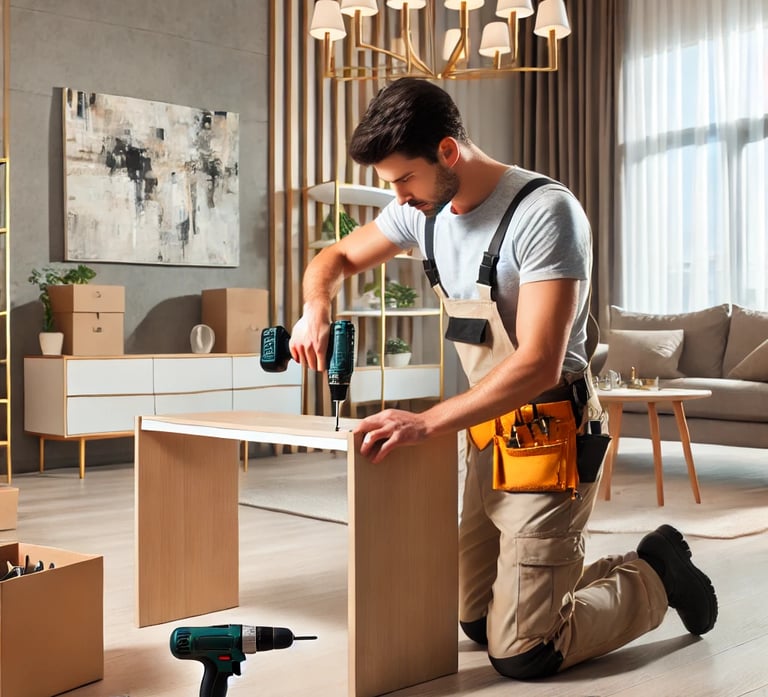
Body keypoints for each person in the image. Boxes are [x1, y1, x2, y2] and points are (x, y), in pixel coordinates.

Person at [289, 78, 718, 679]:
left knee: (523, 651)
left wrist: (425, 422)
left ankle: (655, 576)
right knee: (476, 619)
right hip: (487, 430)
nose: (400, 199)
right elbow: (331, 259)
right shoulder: (424, 213)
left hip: (552, 431)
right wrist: (316, 308)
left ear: (446, 152)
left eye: (404, 180)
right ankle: (567, 581)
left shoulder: (544, 213)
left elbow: (540, 361)